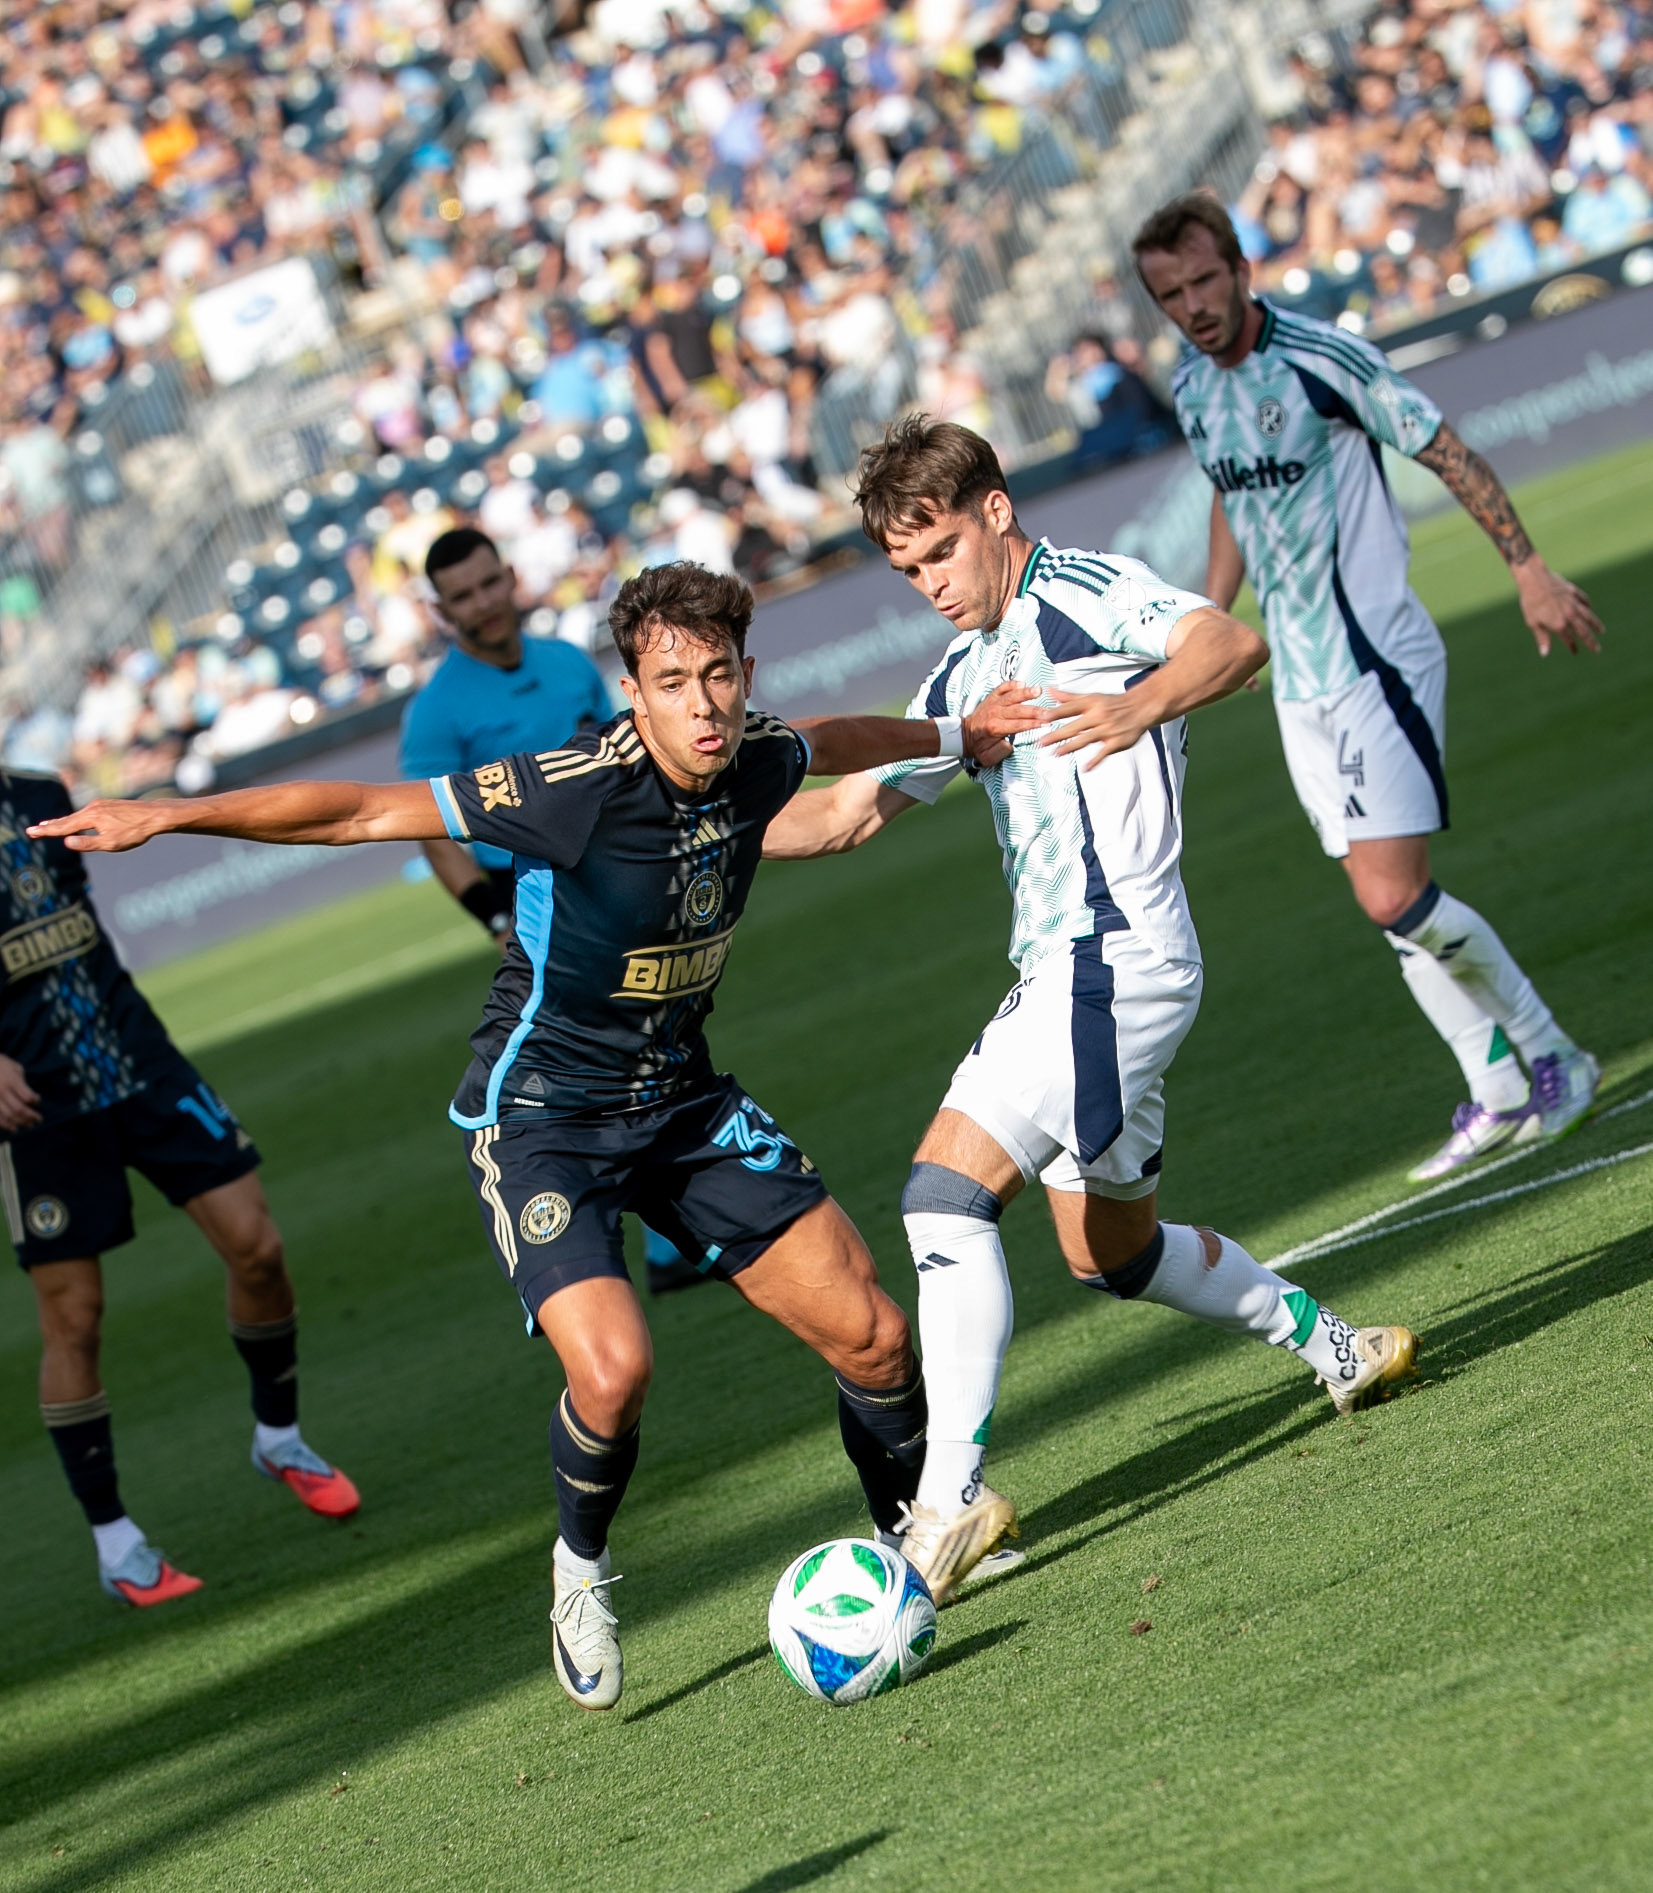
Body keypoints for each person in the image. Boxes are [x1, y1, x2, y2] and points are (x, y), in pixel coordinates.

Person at [30, 562, 1034, 1709]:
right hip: (543, 1121)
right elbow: (363, 810)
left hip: (683, 1103)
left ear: (745, 673)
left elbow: (831, 739)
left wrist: (956, 734)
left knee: (875, 1338)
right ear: (631, 693)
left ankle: (914, 1533)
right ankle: (581, 1574)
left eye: (719, 676)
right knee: (615, 1371)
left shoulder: (755, 750)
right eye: (672, 683)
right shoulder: (571, 787)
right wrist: (168, 815)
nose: (703, 705)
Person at [762, 418, 1419, 1603]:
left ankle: (947, 1502)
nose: (931, 584)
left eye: (942, 552)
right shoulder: (961, 679)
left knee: (943, 1197)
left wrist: (1138, 706)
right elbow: (845, 815)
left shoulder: (1085, 591)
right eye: (908, 569)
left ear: (996, 511)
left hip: (1109, 961)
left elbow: (1229, 642)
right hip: (1085, 976)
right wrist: (688, 833)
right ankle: (1337, 1346)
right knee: (1110, 1252)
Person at [1131, 194, 1602, 1182]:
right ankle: (1497, 1088)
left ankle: (1554, 1053)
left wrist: (1526, 567)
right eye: (1171, 294)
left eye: (1205, 280)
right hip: (1296, 683)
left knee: (1394, 893)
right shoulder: (1193, 385)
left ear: (1241, 270)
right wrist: (1209, 623)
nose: (1193, 306)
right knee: (1379, 903)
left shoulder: (1322, 358)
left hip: (1375, 662)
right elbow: (1229, 496)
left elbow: (1443, 446)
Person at [1, 768, 358, 1610]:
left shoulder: (40, 793)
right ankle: (115, 1541)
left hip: (141, 1064)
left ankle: (279, 1436)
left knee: (258, 1247)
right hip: (39, 1110)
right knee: (74, 1318)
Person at [399, 529, 693, 1293]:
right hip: (532, 900)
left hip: (617, 881)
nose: (482, 604)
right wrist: (494, 920)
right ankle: (596, 1239)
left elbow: (629, 756)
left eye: (488, 584)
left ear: (510, 577)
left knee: (657, 1040)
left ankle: (669, 1241)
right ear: (441, 611)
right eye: (462, 596)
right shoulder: (436, 711)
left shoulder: (565, 662)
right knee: (579, 1064)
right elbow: (434, 832)